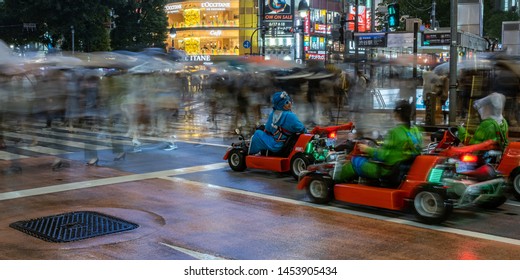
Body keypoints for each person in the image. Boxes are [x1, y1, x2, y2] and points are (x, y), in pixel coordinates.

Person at [339, 100, 423, 182]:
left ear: (397, 114)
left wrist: (367, 149)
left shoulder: (396, 132)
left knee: (354, 162)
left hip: (387, 171)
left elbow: (384, 156)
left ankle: (335, 186)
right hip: (405, 169)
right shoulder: (416, 130)